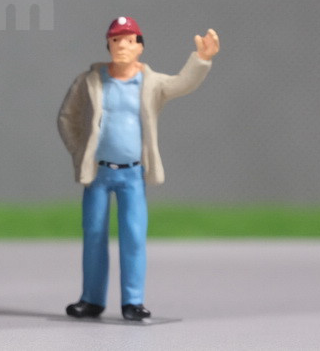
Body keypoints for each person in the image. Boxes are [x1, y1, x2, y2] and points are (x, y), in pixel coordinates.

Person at [57, 17, 219, 321]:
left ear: (140, 47)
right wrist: (80, 152)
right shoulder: (90, 81)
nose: (122, 46)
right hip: (98, 174)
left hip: (132, 174)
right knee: (94, 234)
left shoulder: (150, 82)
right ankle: (91, 299)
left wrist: (201, 59)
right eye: (116, 40)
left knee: (133, 235)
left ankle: (132, 301)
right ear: (108, 45)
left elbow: (181, 83)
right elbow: (67, 117)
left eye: (129, 41)